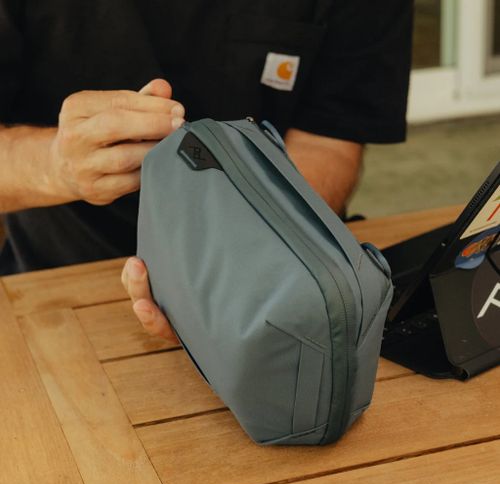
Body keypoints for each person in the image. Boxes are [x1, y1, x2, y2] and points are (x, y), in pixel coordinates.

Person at [0, 1, 413, 340]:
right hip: (57, 292)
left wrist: (253, 265)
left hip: (279, 287)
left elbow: (329, 140)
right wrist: (55, 164)